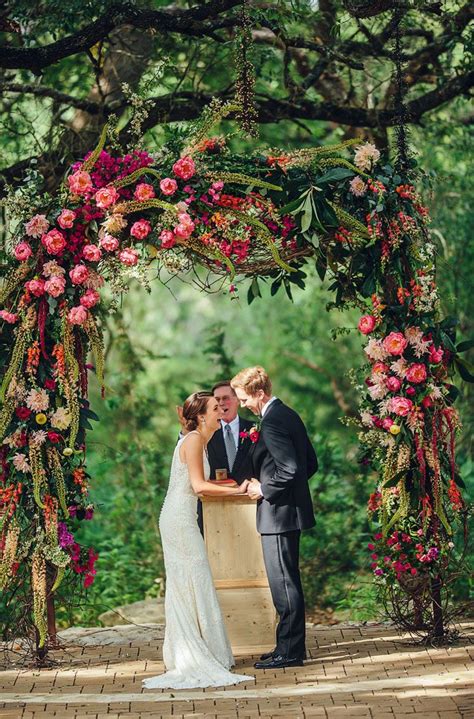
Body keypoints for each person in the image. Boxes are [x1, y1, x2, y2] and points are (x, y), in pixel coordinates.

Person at [143, 391, 253, 689]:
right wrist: (240, 489)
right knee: (194, 579)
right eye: (216, 408)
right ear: (202, 416)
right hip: (178, 520)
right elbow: (198, 485)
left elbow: (200, 486)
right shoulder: (193, 440)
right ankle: (192, 655)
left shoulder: (199, 441)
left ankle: (197, 650)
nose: (222, 411)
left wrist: (227, 484)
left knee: (190, 582)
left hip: (183, 516)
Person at [231, 366, 318, 670]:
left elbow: (292, 468)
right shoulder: (287, 415)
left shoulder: (273, 422)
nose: (243, 405)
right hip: (287, 512)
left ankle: (290, 653)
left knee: (284, 584)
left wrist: (264, 489)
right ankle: (286, 646)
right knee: (286, 580)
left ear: (259, 393)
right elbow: (310, 463)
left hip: (278, 516)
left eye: (244, 399)